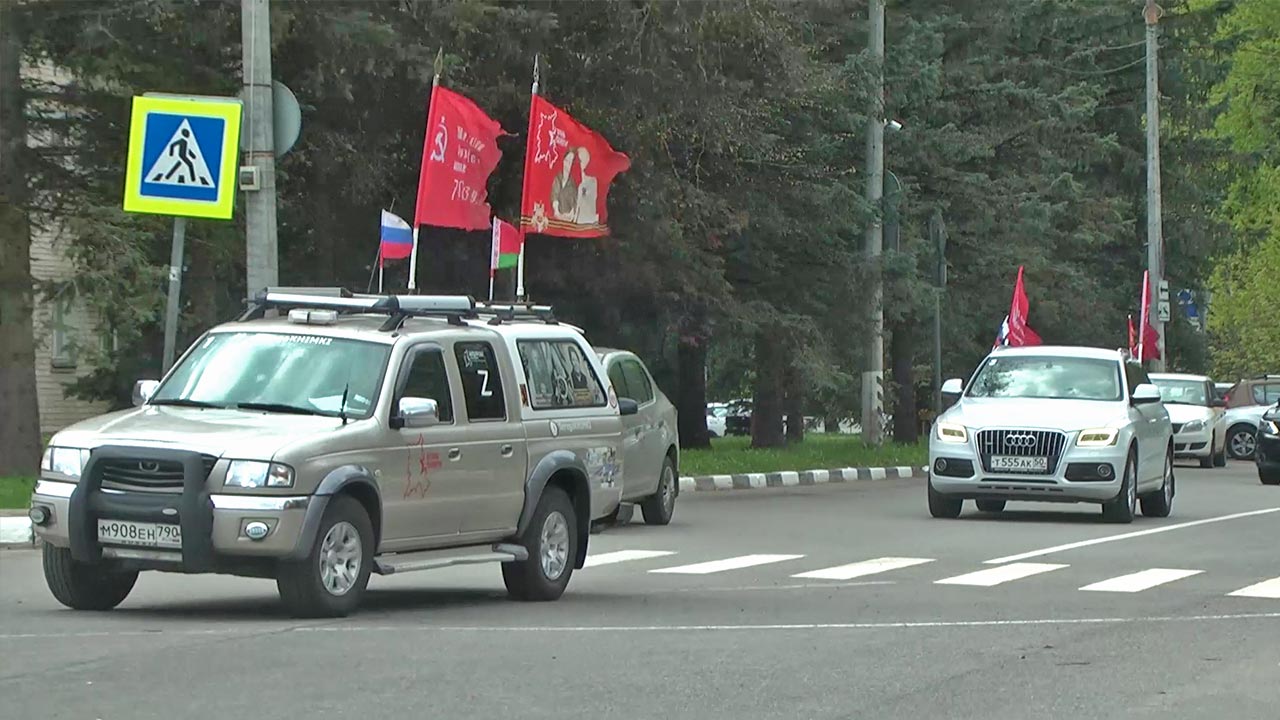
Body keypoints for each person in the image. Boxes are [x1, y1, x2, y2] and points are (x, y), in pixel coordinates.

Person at [574, 147, 599, 225]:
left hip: (585, 221)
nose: (579, 163)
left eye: (581, 160)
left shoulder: (591, 181)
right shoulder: (571, 178)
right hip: (574, 221)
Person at [551, 151, 577, 221]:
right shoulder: (558, 178)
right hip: (557, 218)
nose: (567, 164)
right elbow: (554, 196)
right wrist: (557, 212)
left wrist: (571, 214)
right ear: (563, 161)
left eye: (570, 162)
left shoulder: (573, 183)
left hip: (568, 220)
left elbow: (575, 202)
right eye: (566, 161)